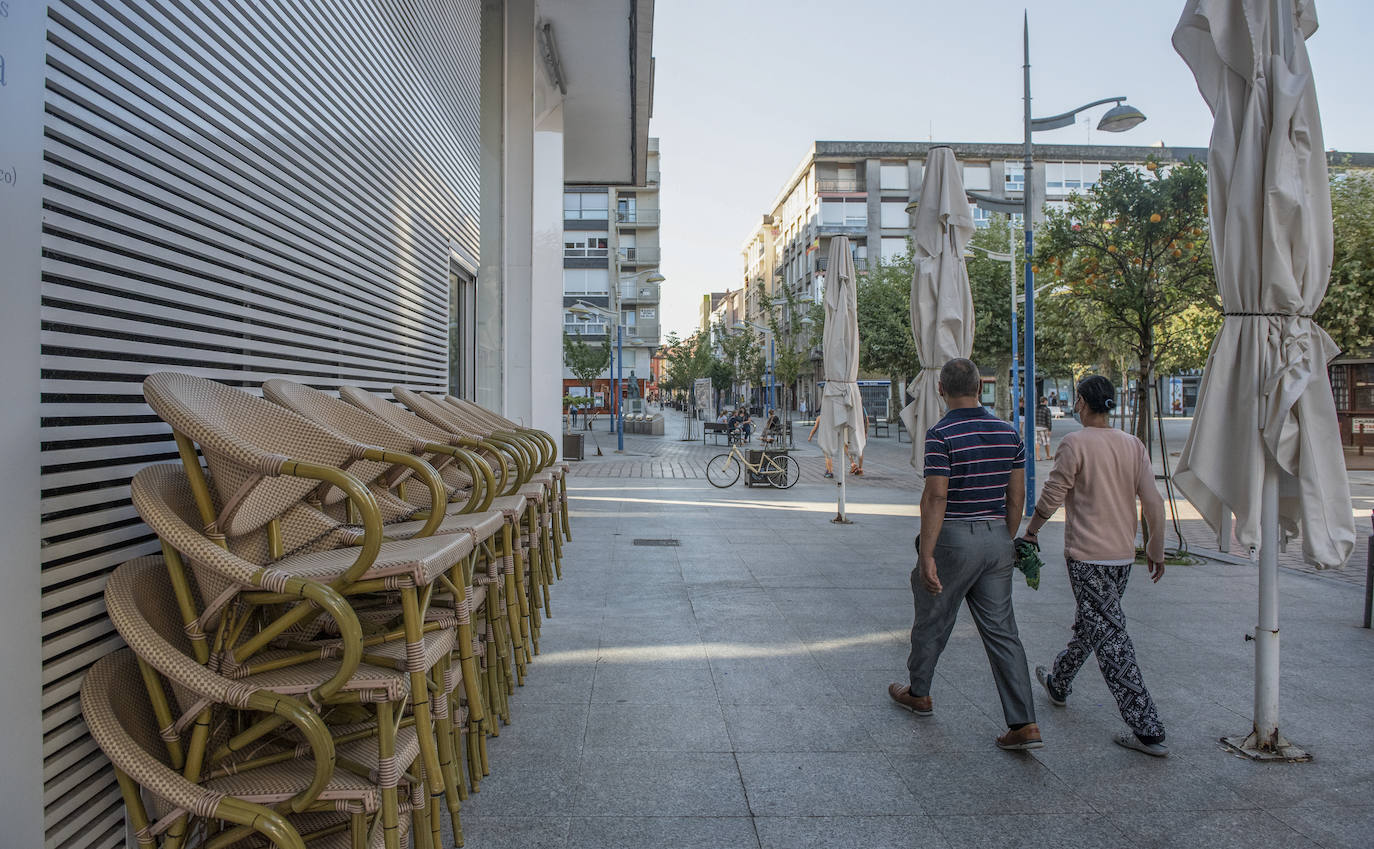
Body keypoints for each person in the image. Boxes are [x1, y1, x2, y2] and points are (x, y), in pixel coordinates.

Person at [888, 357, 1042, 751]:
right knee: (1004, 632)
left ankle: (919, 692)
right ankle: (1024, 722)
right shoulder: (1009, 433)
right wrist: (1002, 539)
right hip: (996, 538)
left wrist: (927, 553)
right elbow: (1017, 497)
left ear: (941, 389)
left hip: (954, 536)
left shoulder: (941, 434)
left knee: (932, 618)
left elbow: (936, 495)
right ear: (979, 388)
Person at [1019, 375, 1169, 757]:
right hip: (1122, 558)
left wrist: (1031, 530)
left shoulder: (1075, 443)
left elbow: (1054, 493)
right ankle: (1059, 682)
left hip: (1087, 558)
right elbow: (1153, 502)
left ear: (1083, 402)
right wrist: (1155, 546)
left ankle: (1146, 727)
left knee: (1110, 639)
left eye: (1078, 402)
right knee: (1096, 625)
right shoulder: (1132, 445)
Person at [1035, 396, 1054, 461]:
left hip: (1036, 427)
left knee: (1037, 442)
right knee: (1047, 442)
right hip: (1044, 427)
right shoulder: (1047, 409)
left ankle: (1038, 457)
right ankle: (1048, 455)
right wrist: (1050, 429)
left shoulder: (1036, 408)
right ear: (1045, 401)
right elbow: (1048, 420)